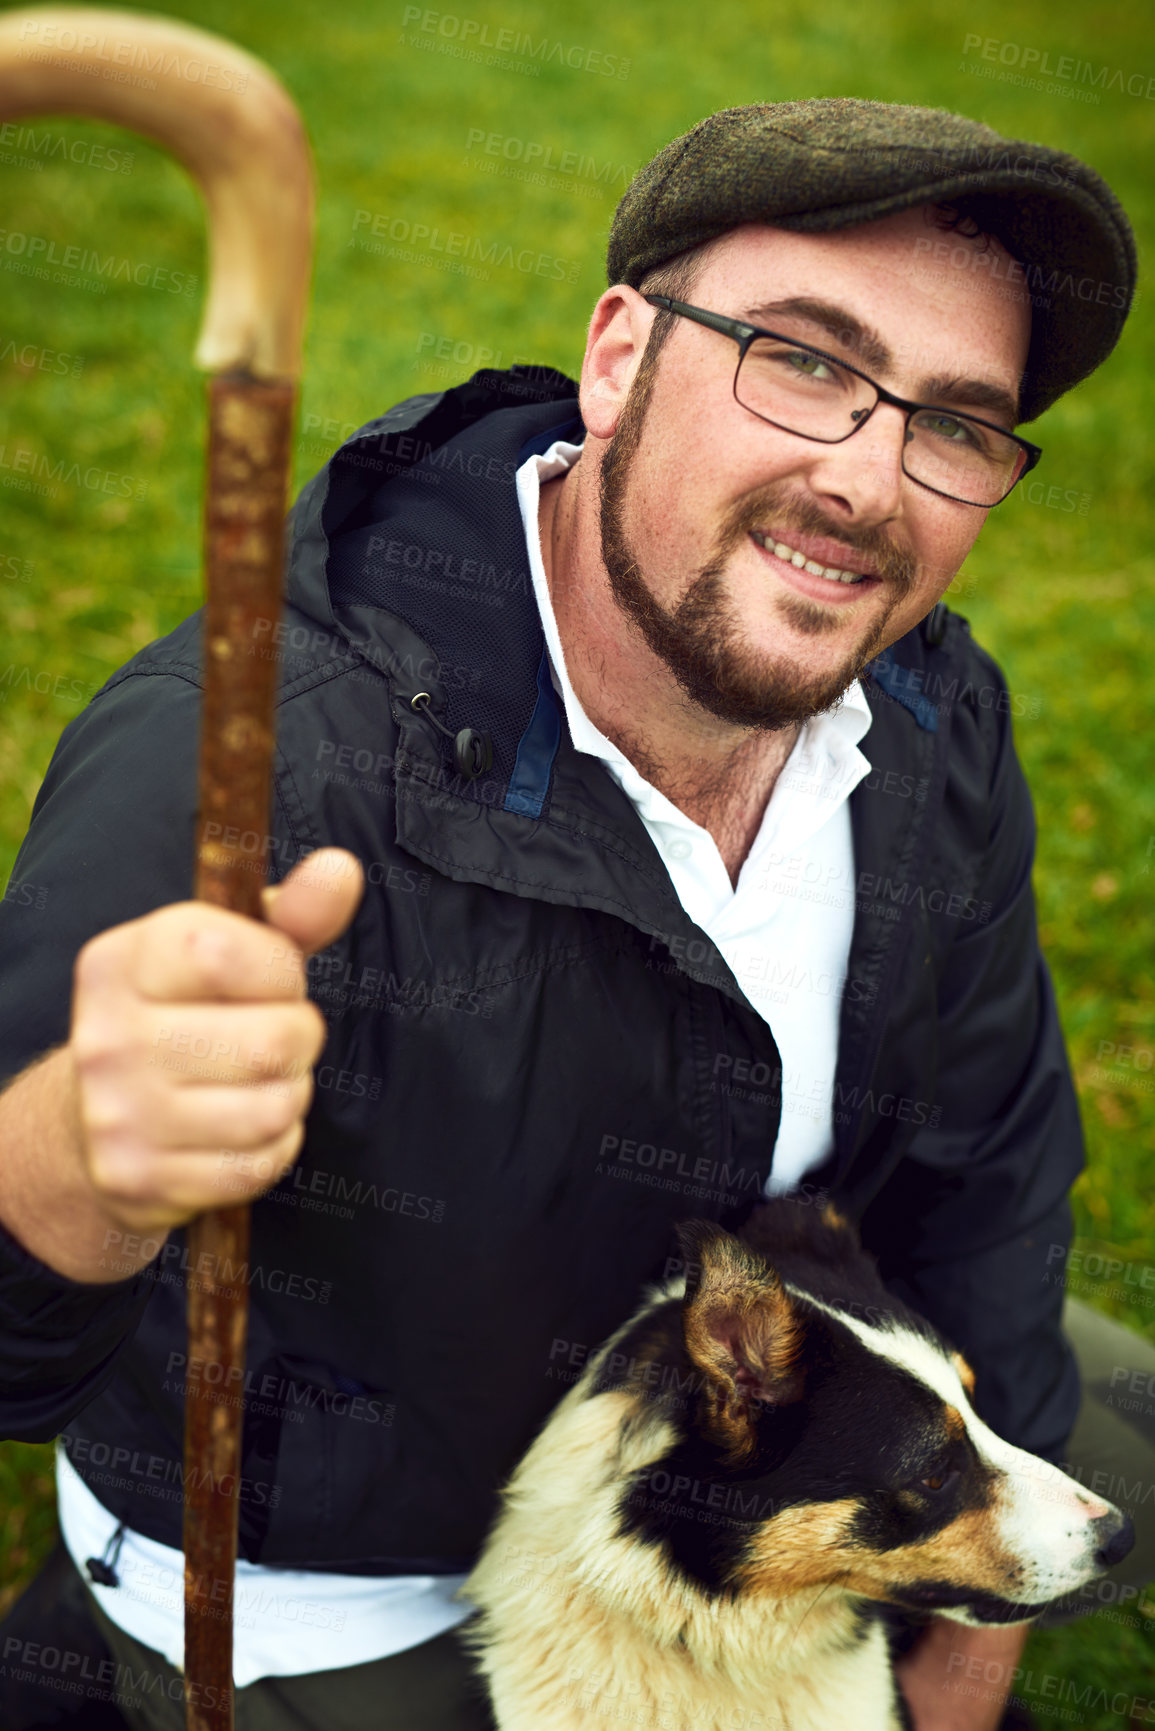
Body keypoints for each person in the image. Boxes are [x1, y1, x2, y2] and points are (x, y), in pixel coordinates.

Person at [0, 97, 1148, 1731]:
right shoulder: (249, 761)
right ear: (620, 355)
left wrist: (965, 1664)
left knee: (1132, 1430)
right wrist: (75, 1157)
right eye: (805, 361)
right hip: (355, 1569)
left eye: (955, 424)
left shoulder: (932, 719)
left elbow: (987, 1173)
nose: (864, 480)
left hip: (763, 1431)